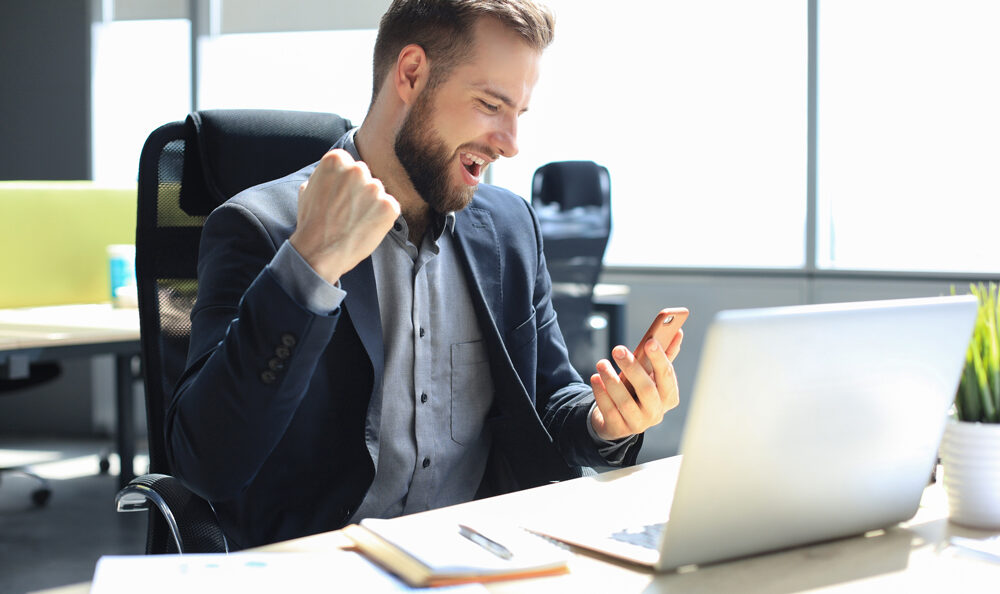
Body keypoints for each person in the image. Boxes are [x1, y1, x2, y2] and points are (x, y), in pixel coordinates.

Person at [166, 0, 684, 550]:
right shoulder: (261, 227)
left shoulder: (509, 228)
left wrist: (606, 421)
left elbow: (550, 400)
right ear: (412, 74)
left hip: (484, 557)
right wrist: (309, 267)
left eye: (519, 114)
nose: (511, 143)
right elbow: (208, 466)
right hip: (329, 565)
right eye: (490, 105)